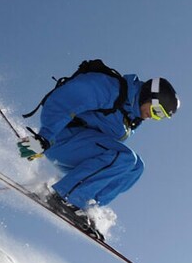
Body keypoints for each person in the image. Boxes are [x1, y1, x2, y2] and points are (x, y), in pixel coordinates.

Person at [17, 65, 180, 219]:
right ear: (149, 95)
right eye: (156, 111)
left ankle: (87, 206)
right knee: (125, 157)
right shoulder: (111, 89)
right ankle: (66, 197)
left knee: (136, 168)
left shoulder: (130, 119)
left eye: (161, 116)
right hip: (60, 137)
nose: (154, 116)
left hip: (78, 149)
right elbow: (63, 101)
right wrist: (45, 137)